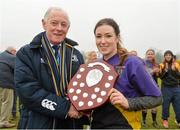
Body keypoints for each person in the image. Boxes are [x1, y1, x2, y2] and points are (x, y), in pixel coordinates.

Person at [14, 7, 89, 129]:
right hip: (38, 124)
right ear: (44, 24)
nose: (59, 28)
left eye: (63, 25)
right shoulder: (27, 53)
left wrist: (85, 107)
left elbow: (83, 87)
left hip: (71, 124)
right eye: (54, 23)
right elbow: (27, 91)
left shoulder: (76, 54)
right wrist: (66, 108)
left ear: (68, 28)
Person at [90, 18, 162, 129]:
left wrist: (128, 103)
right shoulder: (95, 65)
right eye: (98, 36)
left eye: (108, 36)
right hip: (96, 125)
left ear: (117, 38)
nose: (102, 41)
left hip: (125, 125)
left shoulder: (132, 62)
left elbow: (157, 98)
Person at [159, 50, 180, 128]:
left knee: (178, 105)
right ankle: (165, 120)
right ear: (164, 56)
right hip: (166, 88)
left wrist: (175, 71)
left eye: (169, 55)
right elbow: (160, 77)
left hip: (176, 88)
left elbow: (179, 76)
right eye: (166, 55)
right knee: (165, 105)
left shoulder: (176, 64)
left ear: (171, 56)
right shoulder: (162, 65)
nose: (168, 56)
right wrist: (166, 71)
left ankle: (178, 120)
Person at [141, 49, 160, 127]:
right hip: (145, 87)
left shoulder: (156, 64)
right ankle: (144, 121)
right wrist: (152, 71)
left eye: (151, 54)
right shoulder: (142, 64)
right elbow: (143, 75)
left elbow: (158, 76)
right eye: (148, 54)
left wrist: (158, 72)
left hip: (154, 87)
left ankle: (154, 121)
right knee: (145, 106)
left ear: (154, 55)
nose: (150, 55)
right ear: (146, 55)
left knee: (154, 106)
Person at [0, 47, 16, 128]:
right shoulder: (12, 57)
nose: (16, 53)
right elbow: (18, 69)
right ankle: (3, 122)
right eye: (15, 51)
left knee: (2, 102)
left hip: (1, 82)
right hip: (6, 83)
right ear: (12, 51)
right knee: (7, 102)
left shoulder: (1, 55)